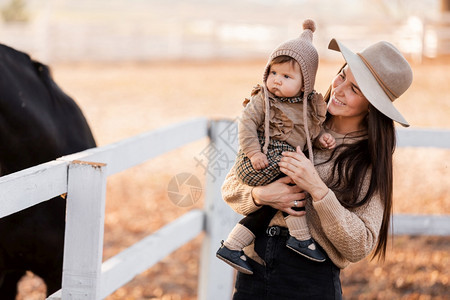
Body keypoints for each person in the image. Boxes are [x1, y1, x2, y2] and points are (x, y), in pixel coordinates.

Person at [221, 37, 413, 299]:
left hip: (310, 279)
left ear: (373, 107)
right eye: (342, 76)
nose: (339, 89)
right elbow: (231, 187)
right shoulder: (293, 119)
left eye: (355, 89)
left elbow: (359, 245)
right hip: (253, 270)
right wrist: (260, 196)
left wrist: (319, 191)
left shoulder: (367, 160)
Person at [216, 19, 336, 275]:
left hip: (278, 160)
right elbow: (246, 124)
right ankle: (301, 237)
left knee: (284, 191)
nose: (276, 81)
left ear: (305, 84)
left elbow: (308, 131)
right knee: (296, 182)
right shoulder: (263, 100)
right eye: (273, 73)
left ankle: (233, 245)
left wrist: (321, 137)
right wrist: (254, 152)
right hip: (259, 160)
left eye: (286, 76)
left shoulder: (306, 107)